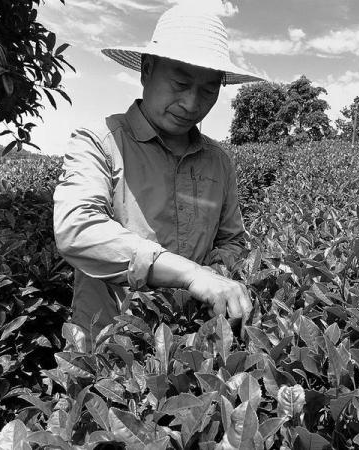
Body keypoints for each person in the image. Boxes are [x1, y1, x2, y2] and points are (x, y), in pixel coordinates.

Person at [52, 4, 265, 339]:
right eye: (180, 83)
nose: (192, 103)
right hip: (107, 341)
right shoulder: (100, 143)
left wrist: (214, 271)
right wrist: (190, 274)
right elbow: (77, 229)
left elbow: (233, 239)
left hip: (192, 341)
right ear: (146, 70)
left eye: (208, 89)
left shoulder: (218, 162)